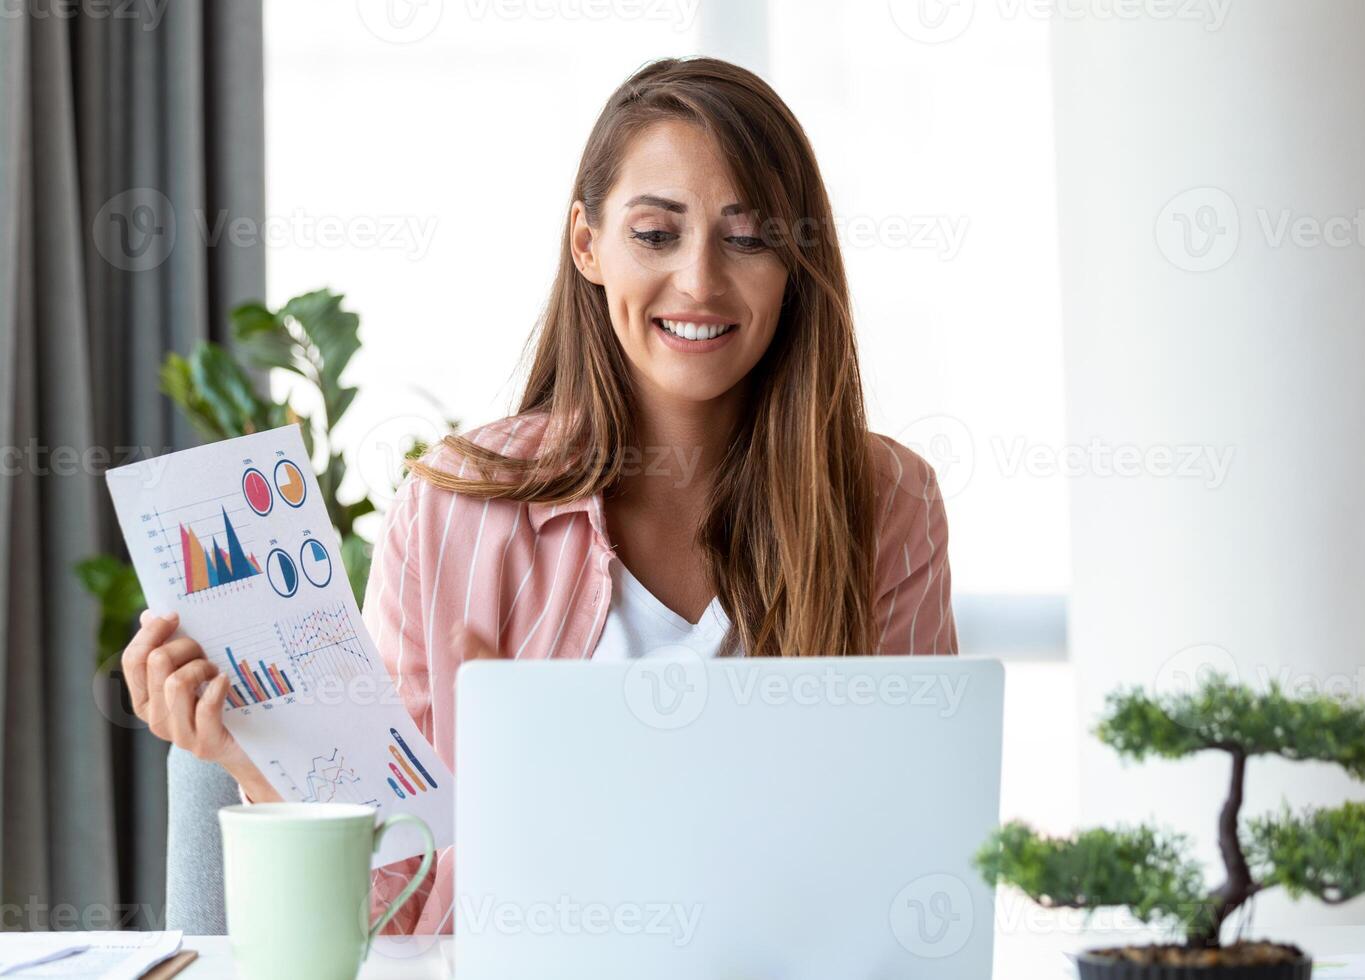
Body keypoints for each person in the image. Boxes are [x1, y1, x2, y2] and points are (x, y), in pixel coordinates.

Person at [120, 56, 958, 937]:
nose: (702, 281)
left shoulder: (887, 502)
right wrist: (254, 760)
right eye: (657, 234)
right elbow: (394, 913)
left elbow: (916, 861)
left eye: (748, 238)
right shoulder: (457, 511)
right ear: (587, 244)